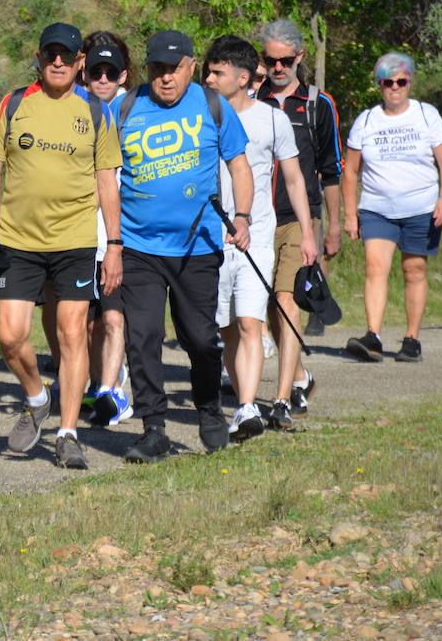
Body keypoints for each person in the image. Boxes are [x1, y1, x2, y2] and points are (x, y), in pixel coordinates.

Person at [110, 30, 252, 464]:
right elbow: (102, 174)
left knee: (200, 338)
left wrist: (242, 218)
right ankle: (153, 429)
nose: (165, 78)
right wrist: (112, 241)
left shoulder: (213, 105)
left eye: (173, 69)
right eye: (157, 69)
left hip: (197, 245)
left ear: (191, 66)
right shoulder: (125, 106)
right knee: (144, 338)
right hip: (138, 245)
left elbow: (240, 168)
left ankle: (209, 407)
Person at [0, 23, 122, 469]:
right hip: (16, 240)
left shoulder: (97, 112)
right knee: (10, 336)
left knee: (71, 334)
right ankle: (36, 396)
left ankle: (68, 433)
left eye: (67, 56)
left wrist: (115, 244)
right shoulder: (13, 105)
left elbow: (107, 181)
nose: (59, 62)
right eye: (51, 54)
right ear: (40, 57)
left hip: (74, 241)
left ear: (79, 62)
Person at [203, 36, 317, 438]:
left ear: (243, 76)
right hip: (209, 237)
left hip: (257, 234)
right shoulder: (197, 115)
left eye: (218, 72)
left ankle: (249, 406)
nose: (210, 78)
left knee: (251, 322)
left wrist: (307, 233)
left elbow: (293, 178)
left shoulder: (272, 119)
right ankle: (242, 401)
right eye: (209, 71)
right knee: (227, 329)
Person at [342, 53, 442, 363]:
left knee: (414, 269)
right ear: (379, 85)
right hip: (377, 207)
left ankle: (411, 338)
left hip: (421, 206)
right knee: (375, 267)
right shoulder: (366, 120)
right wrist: (350, 214)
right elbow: (350, 170)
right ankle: (373, 336)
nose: (395, 87)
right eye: (388, 82)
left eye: (401, 82)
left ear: (409, 82)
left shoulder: (425, 114)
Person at [257, 20, 343, 415]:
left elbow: (331, 170)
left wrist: (334, 226)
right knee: (270, 308)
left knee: (287, 298)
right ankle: (300, 377)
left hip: (298, 216)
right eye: (270, 60)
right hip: (257, 218)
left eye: (285, 61)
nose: (277, 68)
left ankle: (281, 400)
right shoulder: (250, 99)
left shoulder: (317, 105)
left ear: (300, 58)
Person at [79, 32, 137, 426]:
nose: (102, 79)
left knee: (114, 318)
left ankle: (111, 392)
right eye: (95, 72)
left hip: (122, 235)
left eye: (109, 72)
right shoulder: (73, 110)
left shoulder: (135, 112)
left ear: (123, 76)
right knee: (86, 322)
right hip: (81, 235)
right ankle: (96, 383)